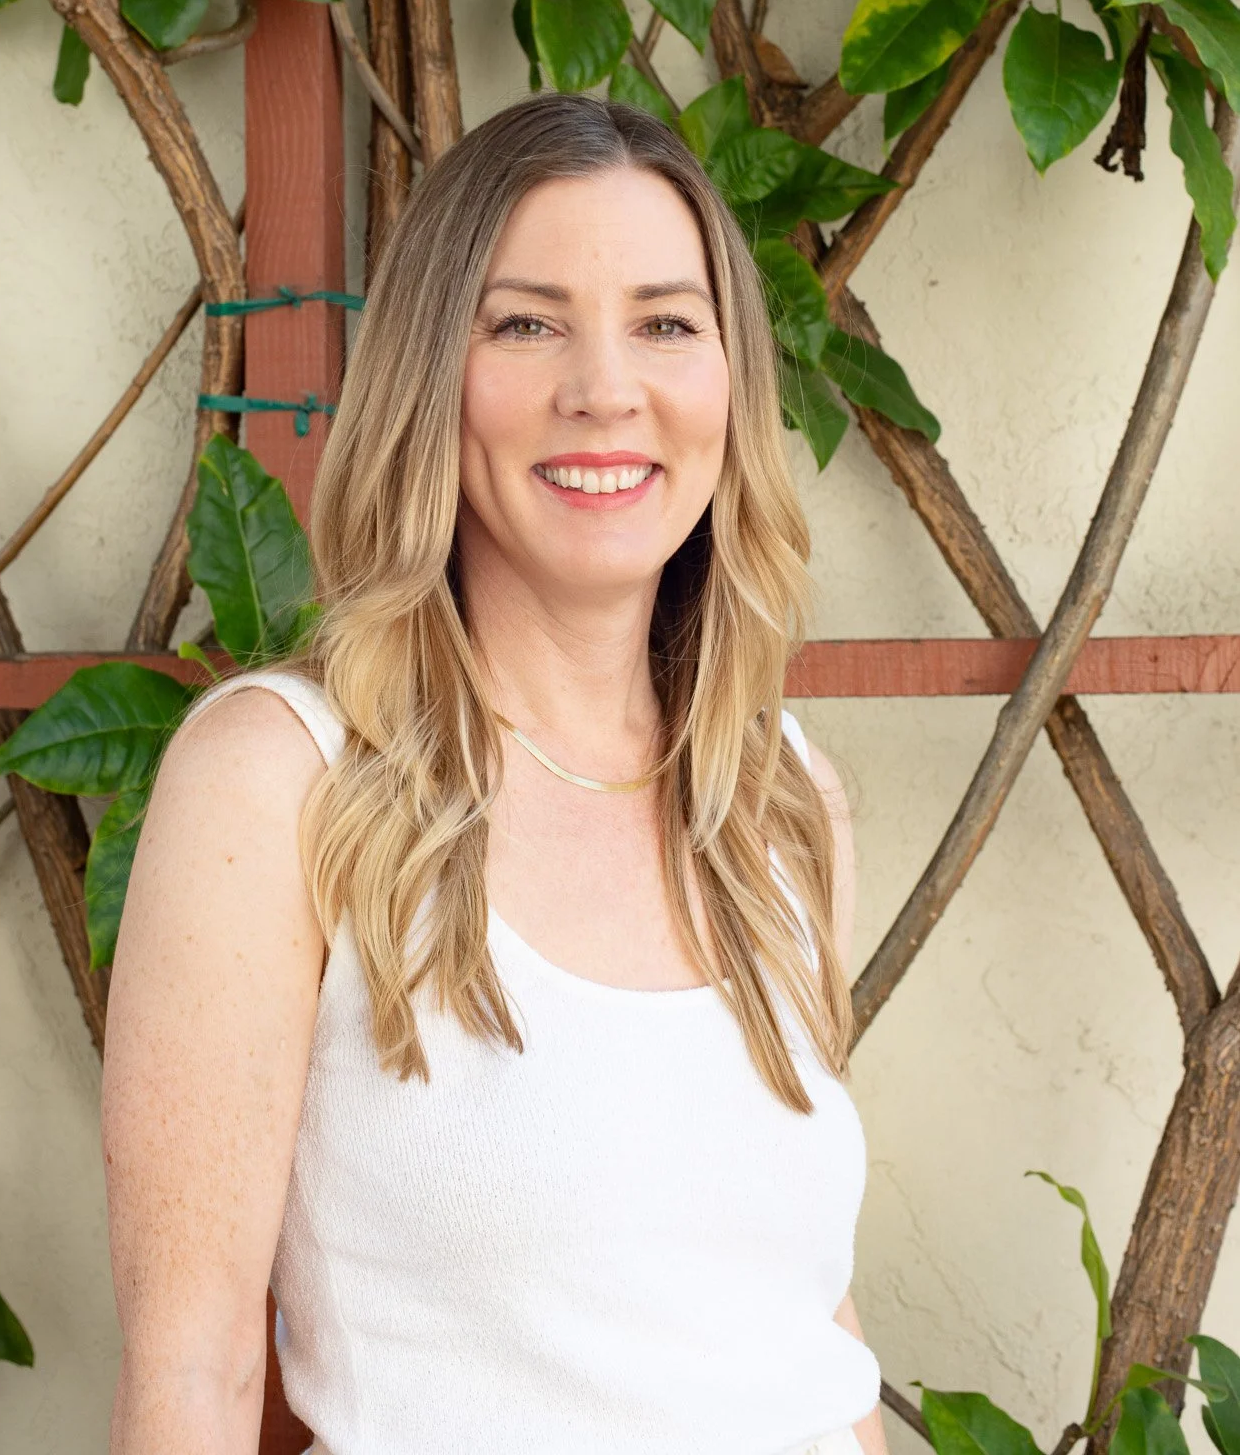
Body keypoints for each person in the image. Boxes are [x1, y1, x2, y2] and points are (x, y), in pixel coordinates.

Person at [102, 93, 888, 1455]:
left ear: (727, 384)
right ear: (427, 375)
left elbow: (809, 1333)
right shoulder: (280, 783)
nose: (603, 386)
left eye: (664, 322)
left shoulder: (779, 801)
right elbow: (195, 1382)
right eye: (524, 323)